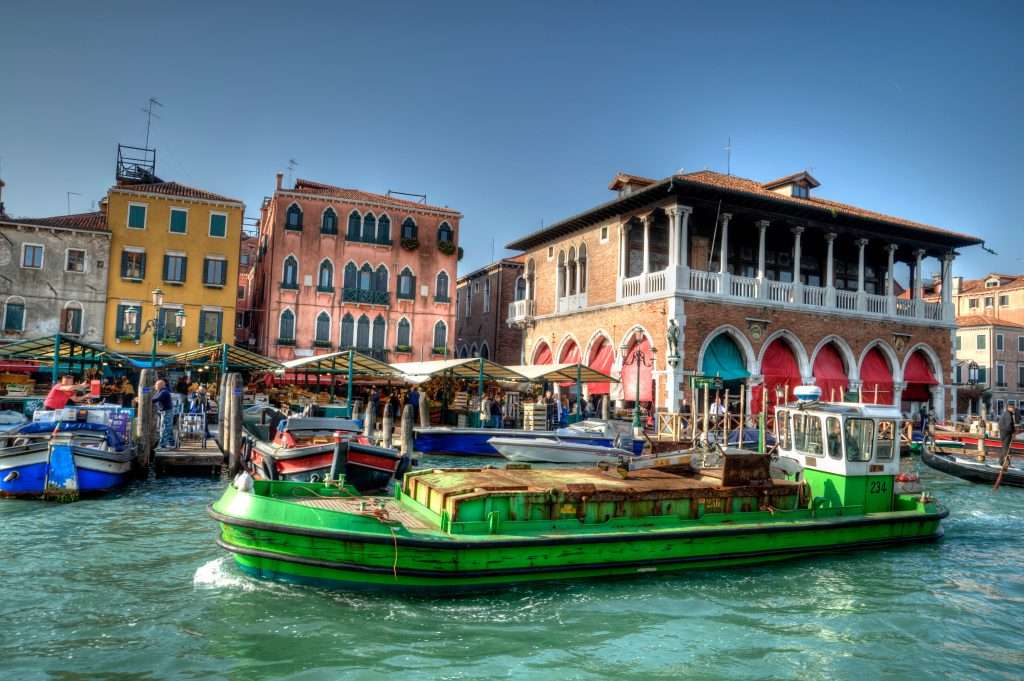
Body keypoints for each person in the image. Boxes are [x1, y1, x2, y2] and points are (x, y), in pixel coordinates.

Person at [153, 378, 175, 449]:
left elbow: (156, 399)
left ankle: (162, 445)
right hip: (165, 411)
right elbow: (154, 398)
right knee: (168, 427)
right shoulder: (160, 391)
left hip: (167, 411)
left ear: (160, 385)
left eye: (156, 384)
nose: (155, 386)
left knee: (164, 427)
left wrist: (146, 399)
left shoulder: (164, 392)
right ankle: (172, 443)